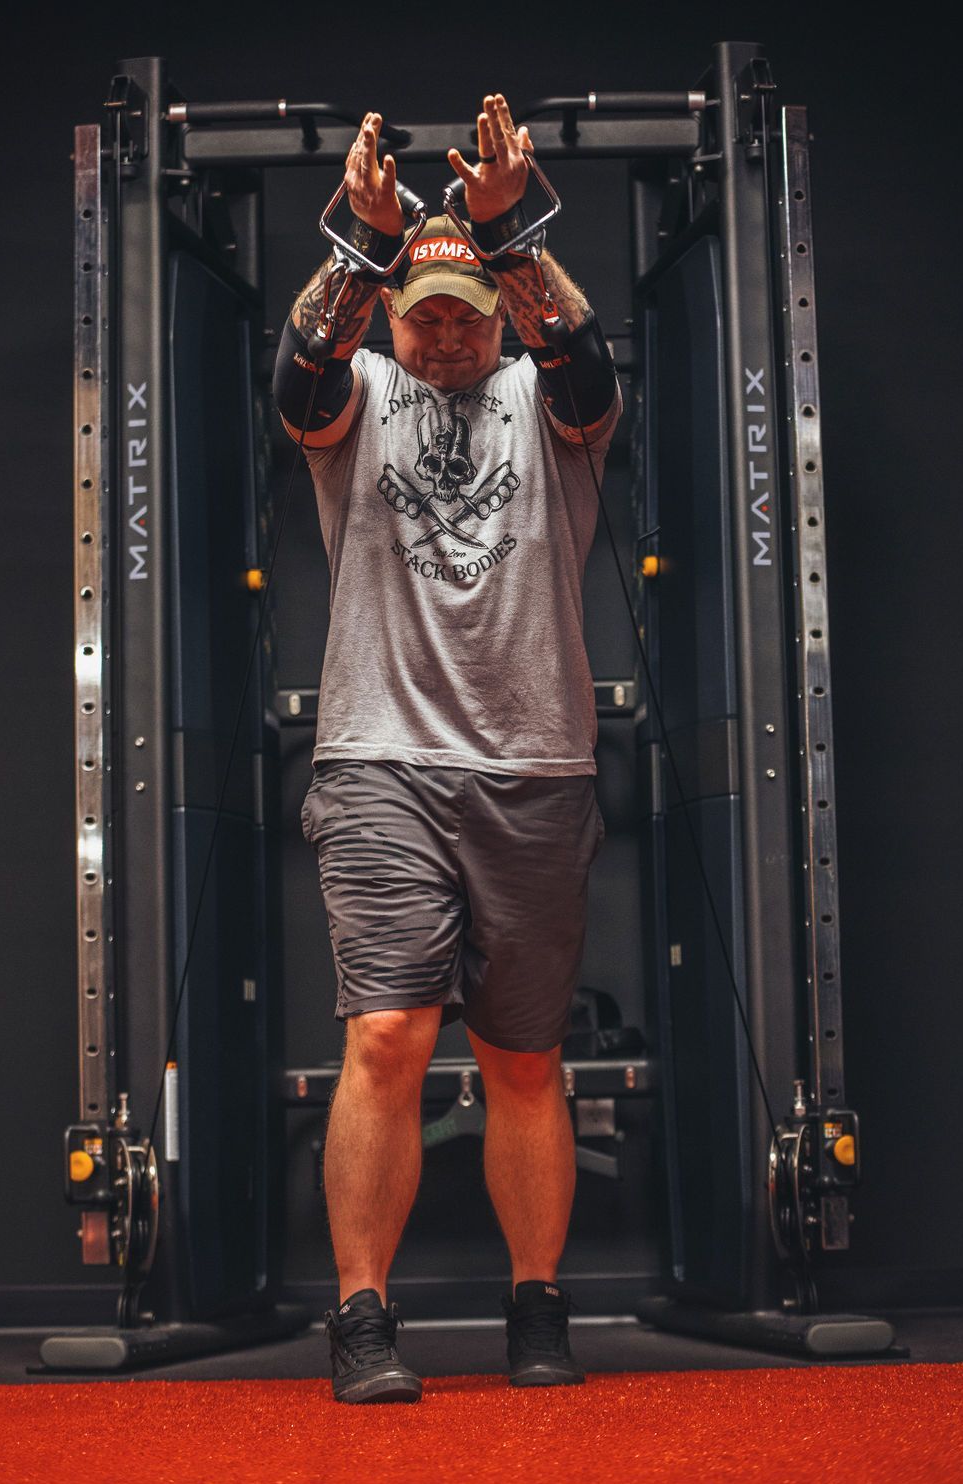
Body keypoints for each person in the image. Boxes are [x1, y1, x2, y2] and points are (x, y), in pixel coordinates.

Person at [273, 93, 621, 1405]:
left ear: (500, 306)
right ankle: (362, 1320)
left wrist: (509, 230)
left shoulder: (556, 405)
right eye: (424, 313)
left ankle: (537, 1305)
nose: (448, 330)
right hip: (379, 760)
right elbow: (298, 369)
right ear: (392, 320)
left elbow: (581, 352)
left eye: (469, 308)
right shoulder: (356, 397)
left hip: (536, 768)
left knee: (525, 1057)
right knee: (388, 1038)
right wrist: (366, 246)